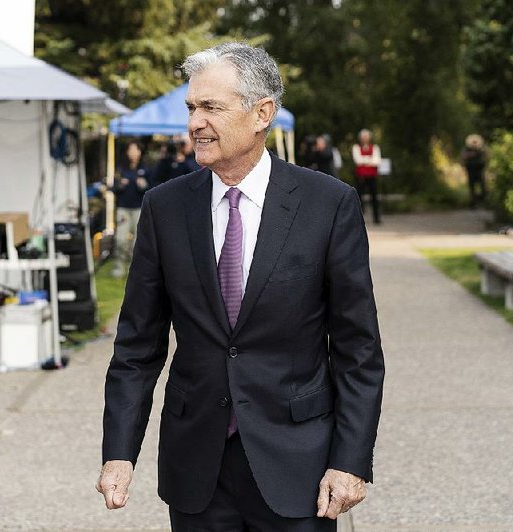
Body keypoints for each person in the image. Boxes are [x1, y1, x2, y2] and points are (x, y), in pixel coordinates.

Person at [97, 42, 384, 531]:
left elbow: (358, 348)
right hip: (196, 468)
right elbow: (137, 347)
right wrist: (119, 453)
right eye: (192, 108)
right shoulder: (165, 208)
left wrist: (350, 460)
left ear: (261, 114)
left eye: (211, 107)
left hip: (299, 466)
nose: (193, 123)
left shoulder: (327, 204)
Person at [112, 141, 151, 277]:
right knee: (121, 239)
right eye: (131, 150)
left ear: (140, 152)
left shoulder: (145, 169)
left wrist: (143, 185)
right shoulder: (121, 169)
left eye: (136, 150)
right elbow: (113, 188)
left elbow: (152, 189)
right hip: (123, 208)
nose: (133, 153)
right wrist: (120, 185)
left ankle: (134, 269)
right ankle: (119, 267)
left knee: (138, 241)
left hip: (139, 209)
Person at [351, 129, 382, 224]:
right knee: (359, 198)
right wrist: (370, 160)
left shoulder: (375, 147)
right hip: (361, 177)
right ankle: (358, 219)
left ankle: (376, 219)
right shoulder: (356, 147)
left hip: (372, 176)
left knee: (374, 197)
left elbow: (377, 161)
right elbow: (357, 160)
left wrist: (364, 161)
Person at [461, 134, 486, 208]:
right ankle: (473, 203)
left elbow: (487, 155)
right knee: (472, 187)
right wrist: (472, 154)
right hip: (471, 169)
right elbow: (464, 156)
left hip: (479, 169)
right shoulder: (467, 149)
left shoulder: (481, 149)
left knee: (483, 187)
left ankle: (480, 200)